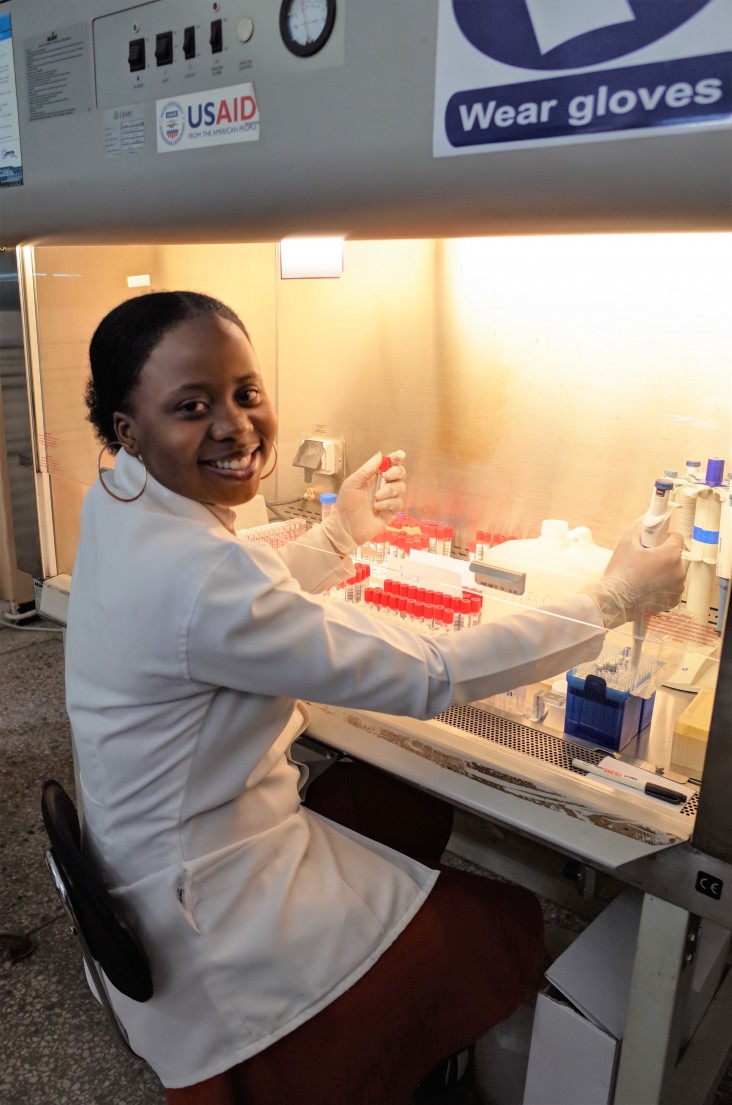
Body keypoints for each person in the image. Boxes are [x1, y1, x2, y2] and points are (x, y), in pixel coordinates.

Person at [64, 291, 685, 1105]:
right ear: (128, 426)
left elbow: (227, 610)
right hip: (207, 920)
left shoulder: (119, 501)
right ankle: (354, 1059)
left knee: (398, 802)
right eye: (191, 406)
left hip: (153, 866)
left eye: (246, 392)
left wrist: (337, 536)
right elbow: (427, 671)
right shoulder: (203, 575)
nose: (235, 424)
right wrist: (607, 601)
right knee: (499, 928)